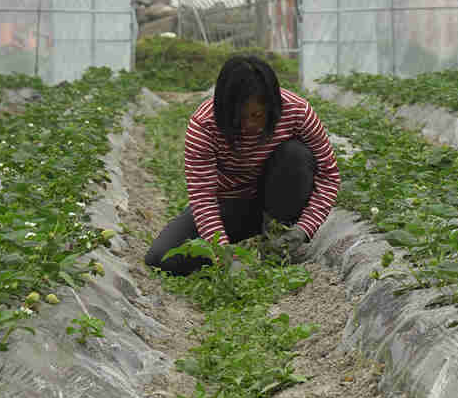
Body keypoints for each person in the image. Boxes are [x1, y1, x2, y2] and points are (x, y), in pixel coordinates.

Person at [145, 55, 341, 275]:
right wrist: (225, 255)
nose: (250, 124)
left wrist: (303, 229)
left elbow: (329, 176)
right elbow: (203, 197)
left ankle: (278, 243)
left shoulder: (298, 112)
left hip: (280, 202)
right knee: (160, 257)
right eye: (240, 117)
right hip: (230, 205)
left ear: (271, 105)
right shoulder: (204, 125)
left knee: (295, 154)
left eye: (257, 115)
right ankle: (240, 253)